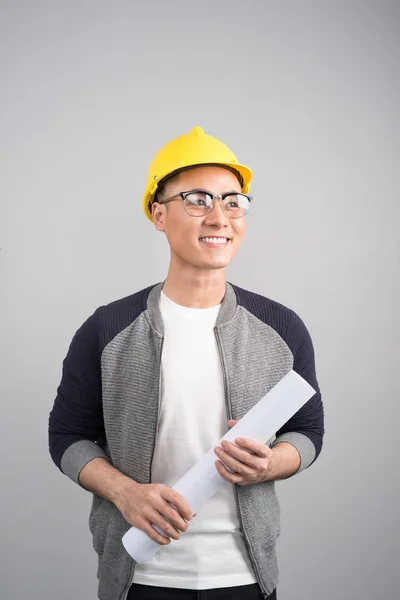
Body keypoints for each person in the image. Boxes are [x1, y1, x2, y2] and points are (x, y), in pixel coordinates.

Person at [48, 126, 324, 600]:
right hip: (140, 576)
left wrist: (270, 463)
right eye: (198, 200)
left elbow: (308, 433)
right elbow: (67, 439)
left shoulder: (281, 327)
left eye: (234, 201)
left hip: (245, 577)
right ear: (159, 214)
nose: (219, 217)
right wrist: (126, 493)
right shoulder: (108, 328)